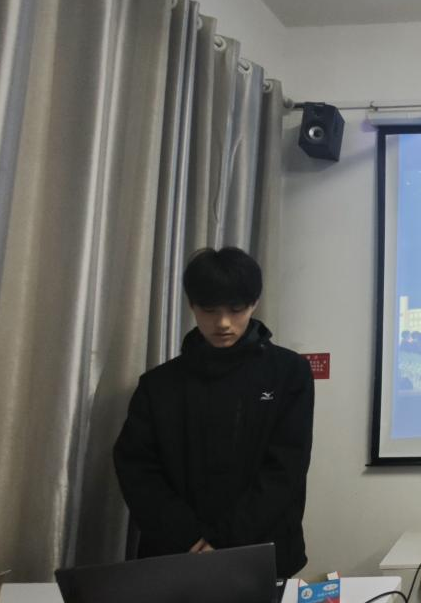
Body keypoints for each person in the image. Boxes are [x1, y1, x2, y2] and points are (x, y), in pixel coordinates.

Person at [113, 247, 314, 578]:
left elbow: (286, 468)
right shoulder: (159, 384)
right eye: (209, 310)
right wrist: (188, 536)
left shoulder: (288, 372)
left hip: (264, 552)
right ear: (192, 305)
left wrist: (224, 540)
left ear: (254, 303)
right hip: (175, 553)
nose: (223, 323)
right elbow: (136, 468)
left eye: (236, 309)